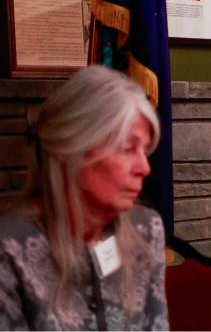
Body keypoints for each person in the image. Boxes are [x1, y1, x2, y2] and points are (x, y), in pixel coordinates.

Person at [0, 66, 168, 330]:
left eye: (144, 151)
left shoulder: (147, 229)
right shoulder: (8, 248)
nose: (144, 168)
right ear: (70, 148)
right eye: (127, 149)